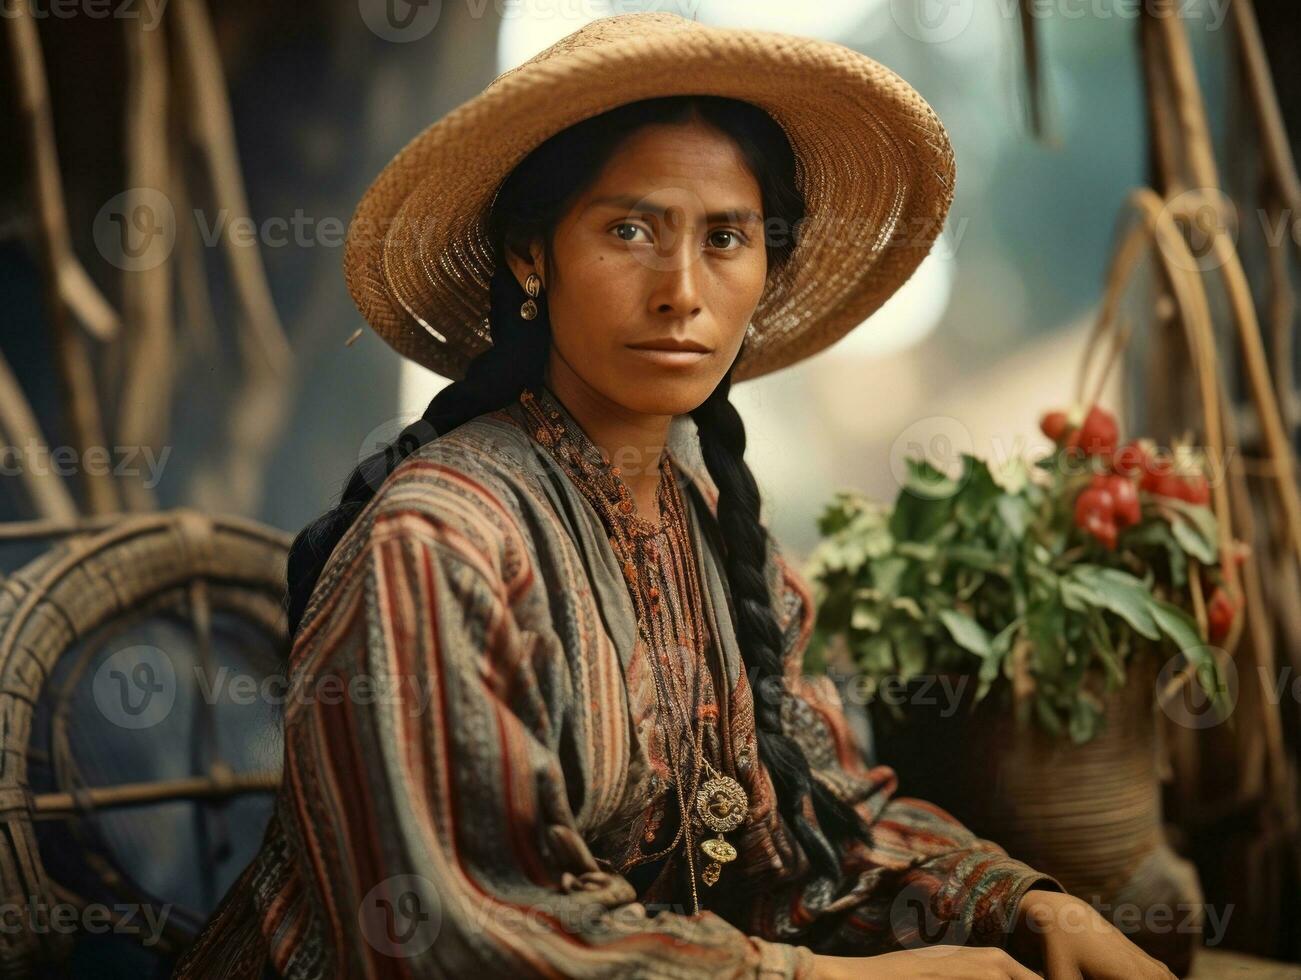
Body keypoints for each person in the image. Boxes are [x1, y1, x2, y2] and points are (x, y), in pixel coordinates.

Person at [172, 12, 1177, 979]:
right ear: (532, 252)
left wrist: (1025, 904)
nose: (681, 289)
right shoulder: (440, 539)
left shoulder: (717, 536)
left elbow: (822, 829)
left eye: (725, 238)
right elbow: (457, 937)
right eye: (629, 228)